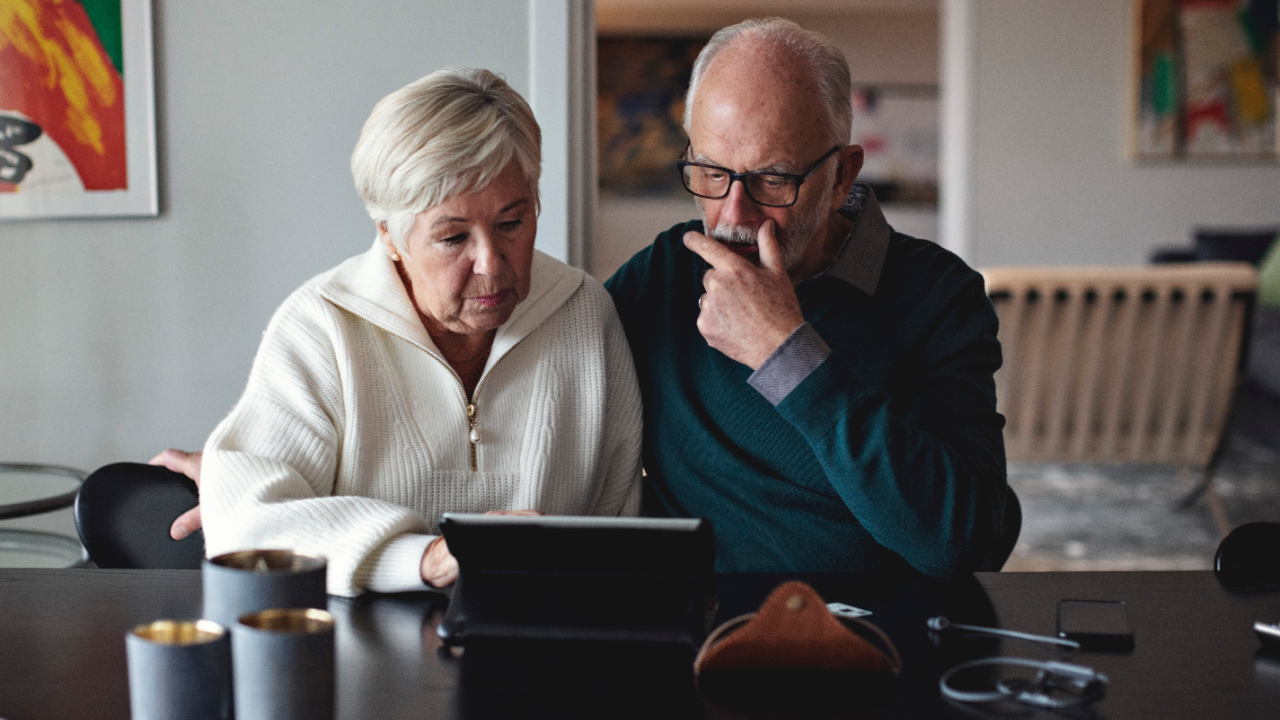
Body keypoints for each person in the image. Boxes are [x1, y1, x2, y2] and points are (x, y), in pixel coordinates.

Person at [185, 68, 642, 597]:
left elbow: (621, 526)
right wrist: (426, 557)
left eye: (512, 224)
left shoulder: (585, 314)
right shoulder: (321, 327)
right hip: (356, 656)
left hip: (545, 643)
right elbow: (246, 524)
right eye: (452, 237)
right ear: (390, 235)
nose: (491, 264)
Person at [602, 18, 1008, 577]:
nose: (734, 215)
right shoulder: (663, 276)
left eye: (773, 179)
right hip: (699, 636)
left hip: (876, 639)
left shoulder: (938, 296)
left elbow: (961, 540)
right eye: (711, 173)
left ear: (842, 175)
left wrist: (785, 353)